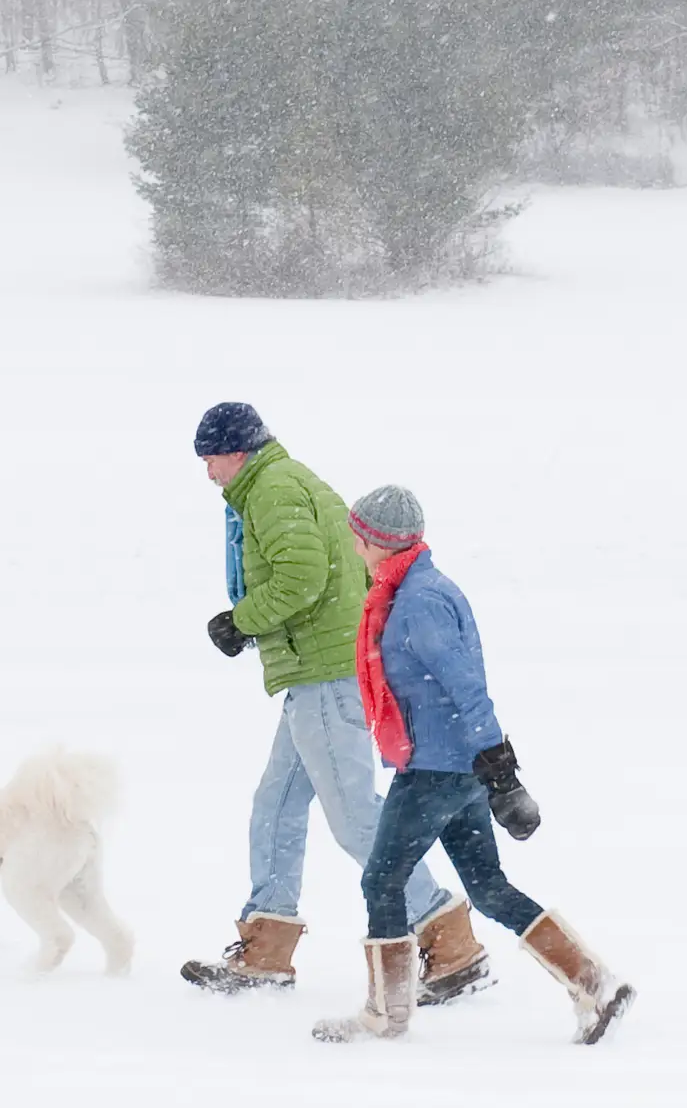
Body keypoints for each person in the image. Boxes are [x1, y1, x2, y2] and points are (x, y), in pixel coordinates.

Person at [178, 402, 482, 999]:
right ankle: (267, 943)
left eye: (210, 459)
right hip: (316, 671)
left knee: (352, 816)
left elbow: (302, 575)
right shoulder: (280, 481)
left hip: (324, 672)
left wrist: (242, 621)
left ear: (235, 451)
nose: (208, 472)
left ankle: (448, 939)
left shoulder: (272, 489)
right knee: (277, 804)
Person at [315, 483, 634, 1046]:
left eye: (359, 537)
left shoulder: (418, 603)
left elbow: (466, 685)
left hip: (438, 770)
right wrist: (484, 766)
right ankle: (593, 982)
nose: (354, 545)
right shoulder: (418, 587)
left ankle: (384, 1016)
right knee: (487, 888)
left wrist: (500, 769)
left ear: (379, 542)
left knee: (382, 879)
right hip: (456, 767)